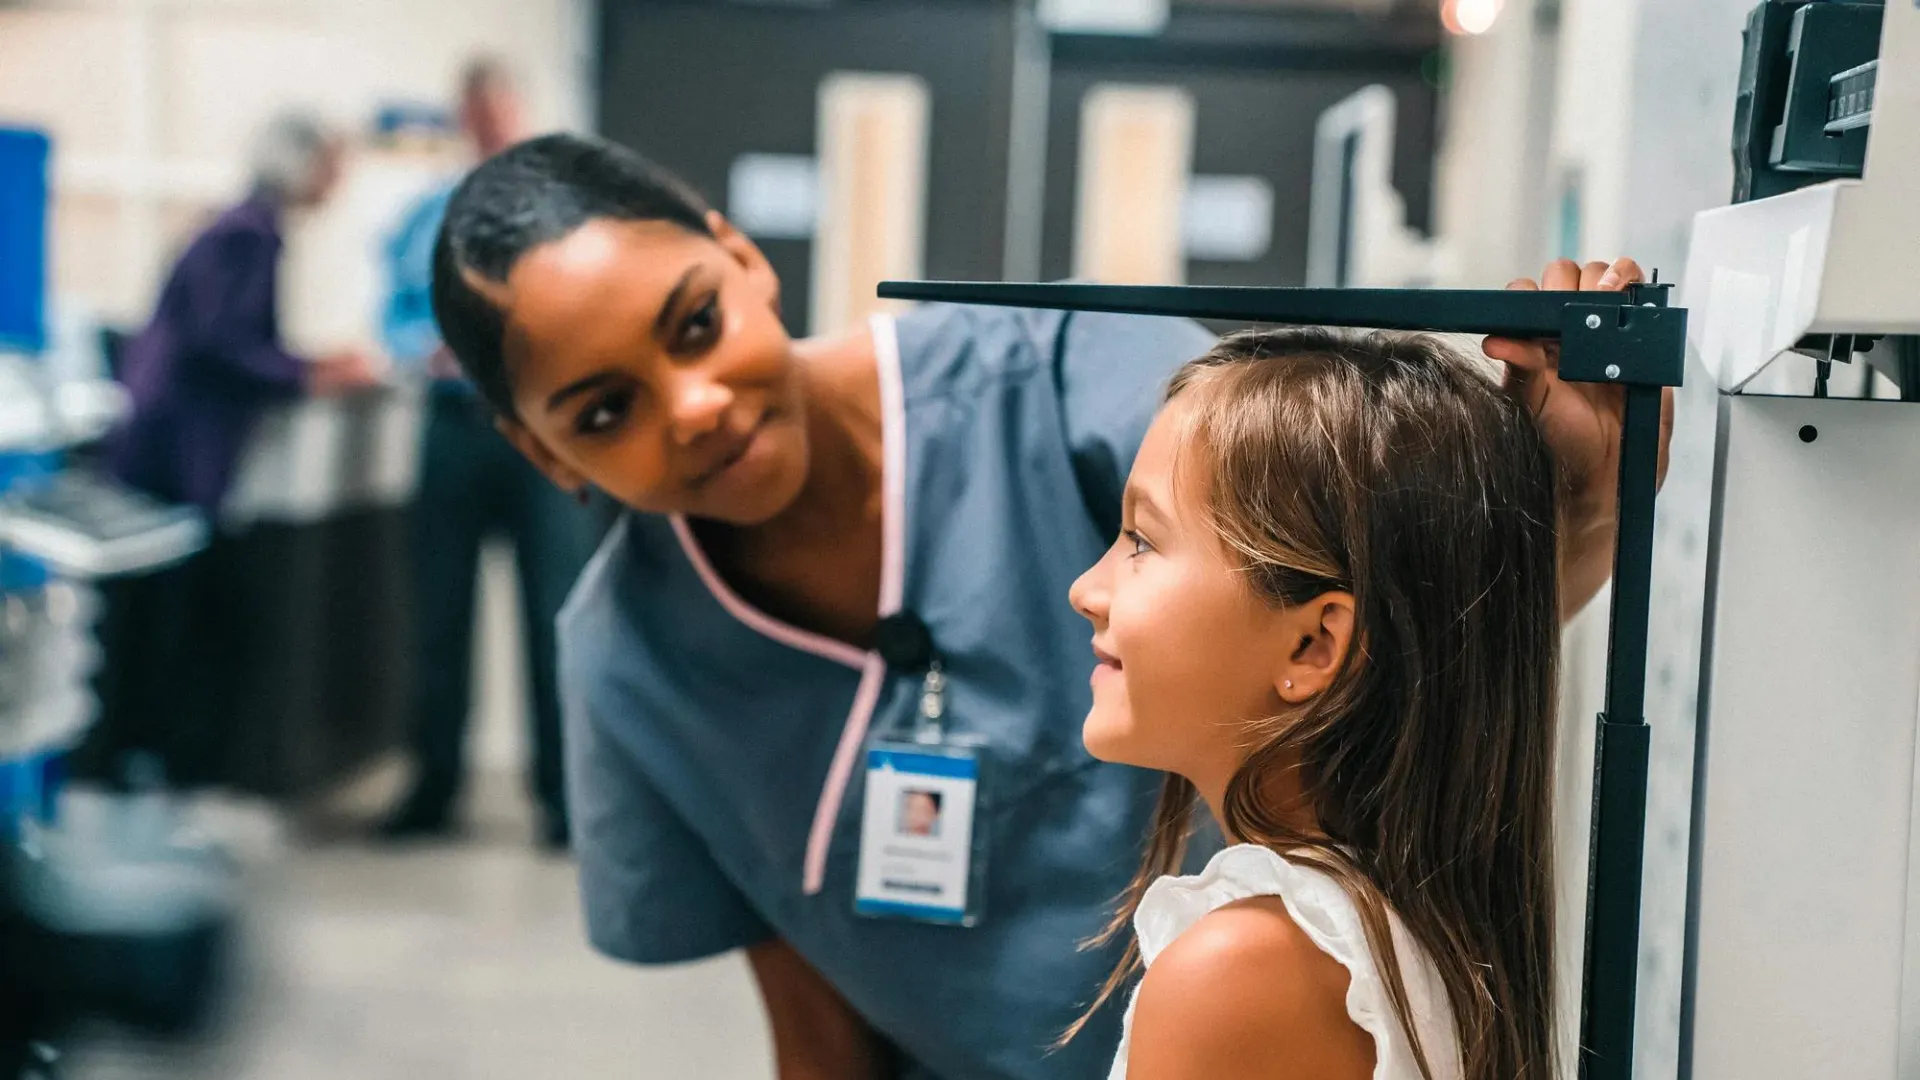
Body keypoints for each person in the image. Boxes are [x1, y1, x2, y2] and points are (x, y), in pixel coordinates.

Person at [429, 132, 1665, 1079]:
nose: (689, 405)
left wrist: (1580, 505)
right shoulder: (627, 666)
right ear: (539, 456)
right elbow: (814, 1031)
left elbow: (1383, 643)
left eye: (694, 323)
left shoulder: (1066, 372)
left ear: (741, 255)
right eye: (602, 412)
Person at [1066, 329, 1563, 1080]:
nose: (1086, 591)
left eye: (1142, 540)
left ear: (1313, 648)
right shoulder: (1400, 932)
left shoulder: (1241, 971)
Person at [83, 111, 379, 788]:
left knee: (162, 620)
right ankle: (137, 766)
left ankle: (139, 763)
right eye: (331, 165)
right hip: (173, 453)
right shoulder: (247, 235)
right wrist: (313, 373)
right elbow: (221, 345)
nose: (337, 183)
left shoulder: (243, 228)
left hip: (171, 448)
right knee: (160, 623)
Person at [376, 59, 603, 848]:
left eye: (501, 112)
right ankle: (432, 789)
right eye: (478, 114)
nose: (490, 127)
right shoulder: (421, 219)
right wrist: (424, 348)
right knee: (439, 615)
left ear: (521, 114)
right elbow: (395, 317)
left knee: (553, 614)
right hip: (451, 429)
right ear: (463, 119)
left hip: (538, 436)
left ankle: (564, 802)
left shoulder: (564, 219)